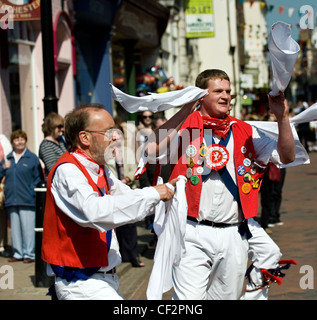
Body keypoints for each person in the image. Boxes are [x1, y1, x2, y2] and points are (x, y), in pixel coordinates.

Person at [144, 69, 295, 299]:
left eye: (228, 91)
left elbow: (287, 157)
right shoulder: (185, 129)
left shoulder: (244, 130)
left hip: (233, 233)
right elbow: (151, 150)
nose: (226, 96)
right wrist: (186, 108)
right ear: (201, 96)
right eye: (218, 91)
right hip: (191, 232)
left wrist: (282, 117)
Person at [41, 103, 176, 300]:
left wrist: (172, 192)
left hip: (101, 280)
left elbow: (128, 200)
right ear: (84, 137)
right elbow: (96, 213)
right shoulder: (68, 171)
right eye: (108, 132)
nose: (116, 137)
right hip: (81, 283)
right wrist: (155, 194)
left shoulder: (99, 168)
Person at [0, 130, 43, 263]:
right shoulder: (7, 158)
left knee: (28, 228)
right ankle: (18, 253)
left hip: (27, 199)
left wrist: (31, 192)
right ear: (12, 142)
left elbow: (38, 178)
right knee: (15, 229)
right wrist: (3, 168)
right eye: (16, 139)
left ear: (25, 141)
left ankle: (29, 254)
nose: (19, 141)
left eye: (22, 139)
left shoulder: (32, 158)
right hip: (12, 199)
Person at [39, 112, 67, 178]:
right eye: (59, 127)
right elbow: (52, 167)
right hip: (56, 181)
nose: (62, 129)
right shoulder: (46, 145)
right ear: (52, 127)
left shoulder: (61, 140)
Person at [0, 134, 12, 257]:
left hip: (1, 187)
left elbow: (7, 163)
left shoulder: (3, 140)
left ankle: (2, 244)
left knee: (2, 217)